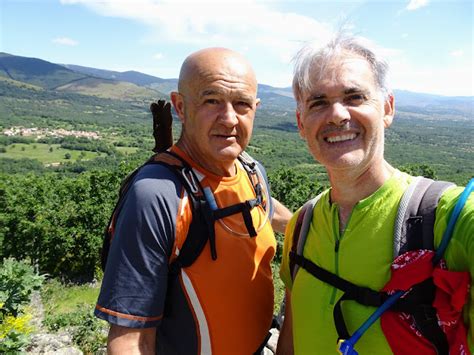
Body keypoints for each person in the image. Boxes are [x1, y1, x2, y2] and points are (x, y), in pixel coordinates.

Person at [277, 33, 473, 354]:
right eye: (318, 102)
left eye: (354, 97)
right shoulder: (302, 226)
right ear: (301, 122)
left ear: (387, 107)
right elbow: (292, 338)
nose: (337, 114)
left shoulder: (449, 219)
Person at [95, 47, 292, 354]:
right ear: (180, 107)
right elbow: (130, 340)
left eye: (241, 104)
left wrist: (308, 225)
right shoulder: (156, 196)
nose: (229, 119)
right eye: (211, 100)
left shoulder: (250, 170)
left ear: (255, 107)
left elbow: (263, 204)